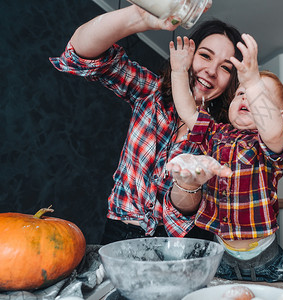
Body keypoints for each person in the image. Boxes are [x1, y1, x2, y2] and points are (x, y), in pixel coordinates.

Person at [49, 4, 243, 244]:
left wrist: (187, 185)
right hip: (121, 234)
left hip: (185, 243)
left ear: (231, 81)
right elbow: (80, 54)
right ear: (187, 53)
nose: (211, 71)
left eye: (226, 68)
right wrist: (140, 17)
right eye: (205, 55)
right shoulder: (152, 92)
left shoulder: (225, 136)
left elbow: (188, 210)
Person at [166, 33, 283, 282]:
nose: (246, 96)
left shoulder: (269, 143)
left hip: (266, 260)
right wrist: (179, 71)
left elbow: (272, 129)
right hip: (221, 253)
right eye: (240, 93)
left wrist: (253, 79)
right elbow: (188, 111)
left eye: (258, 95)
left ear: (281, 117)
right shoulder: (216, 133)